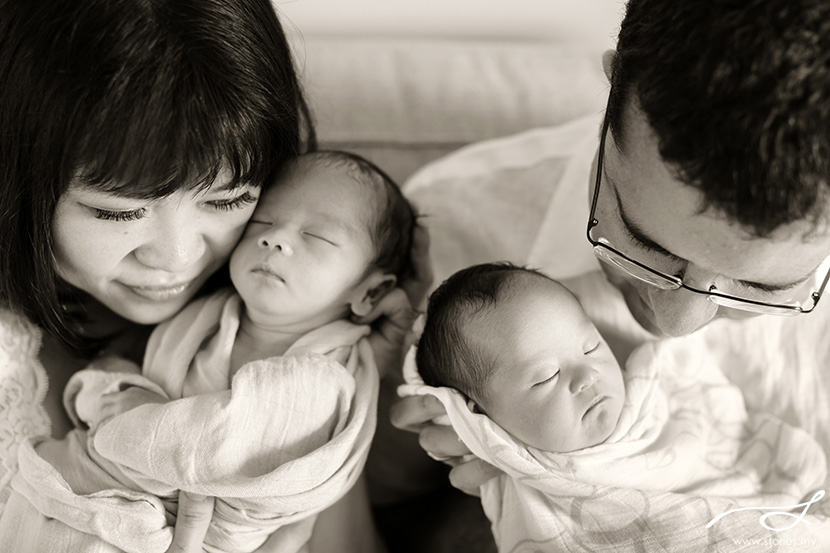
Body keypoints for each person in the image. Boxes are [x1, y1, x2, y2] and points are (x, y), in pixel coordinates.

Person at [383, 0, 830, 549]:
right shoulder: (450, 221)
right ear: (614, 89)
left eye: (765, 288)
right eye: (642, 244)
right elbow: (383, 502)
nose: (674, 325)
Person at [0, 2, 424, 553]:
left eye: (230, 199)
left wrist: (362, 377)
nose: (177, 259)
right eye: (117, 212)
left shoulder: (281, 310)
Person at [406, 262, 827, 550]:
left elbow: (727, 430)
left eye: (591, 347)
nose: (587, 376)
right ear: (478, 416)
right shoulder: (512, 471)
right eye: (545, 377)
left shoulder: (661, 384)